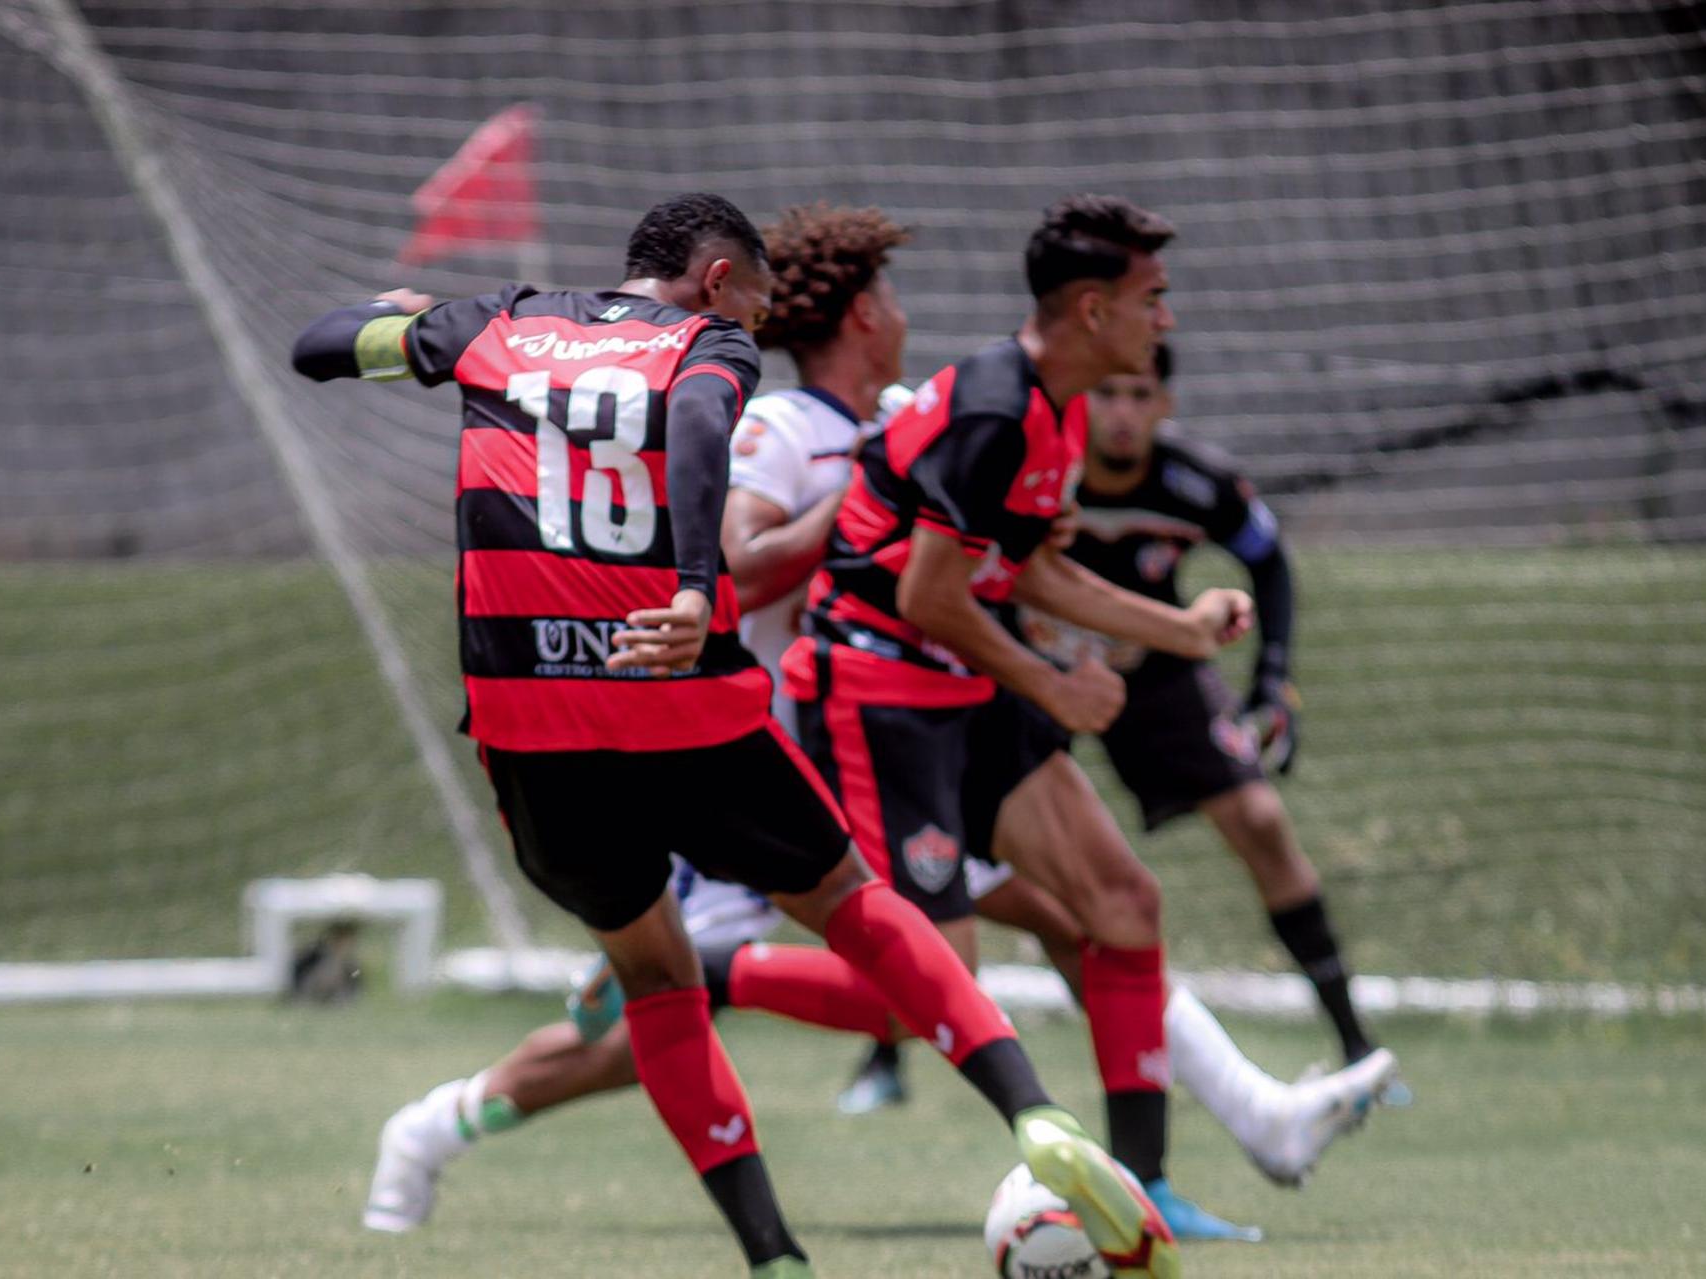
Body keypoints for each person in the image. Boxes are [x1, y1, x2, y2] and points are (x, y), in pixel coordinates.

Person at [353, 204, 1392, 1252]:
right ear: (858, 319)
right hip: (755, 734)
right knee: (705, 1009)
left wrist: (1137, 620)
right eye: (887, 296)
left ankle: (1204, 1141)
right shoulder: (784, 426)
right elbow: (743, 559)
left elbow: (988, 558)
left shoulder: (948, 416)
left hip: (918, 719)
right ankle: (437, 1125)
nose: (902, 314)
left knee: (1096, 907)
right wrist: (870, 492)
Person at [773, 193, 1274, 1238]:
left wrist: (1181, 628)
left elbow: (1032, 569)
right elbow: (928, 596)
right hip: (875, 688)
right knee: (929, 990)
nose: (1166, 321)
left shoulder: (1058, 408)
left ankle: (1146, 1188)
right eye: (1153, 300)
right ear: (1094, 310)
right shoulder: (997, 410)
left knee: (1124, 901)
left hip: (962, 683)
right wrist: (1052, 684)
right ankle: (708, 970)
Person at [1048, 342, 1396, 1085]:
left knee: (1263, 822)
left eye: (1140, 395)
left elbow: (1267, 560)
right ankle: (888, 1045)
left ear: (1164, 404)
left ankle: (1357, 1045)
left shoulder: (1195, 480)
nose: (1122, 413)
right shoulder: (1045, 469)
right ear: (1082, 399)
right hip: (1038, 668)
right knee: (1001, 849)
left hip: (1158, 668)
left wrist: (1274, 684)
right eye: (1107, 392)